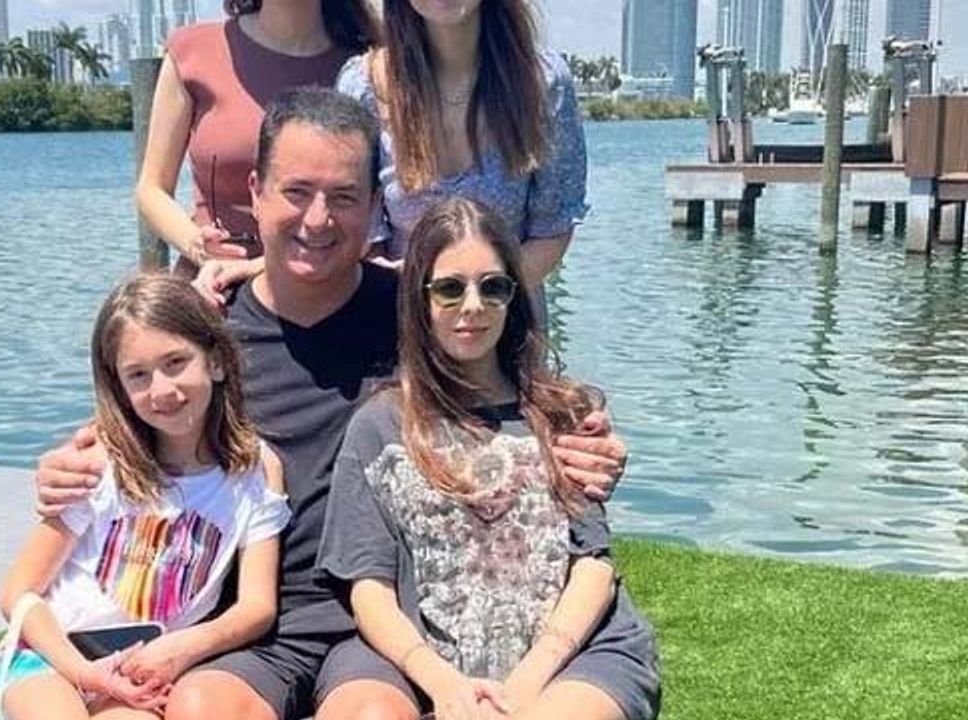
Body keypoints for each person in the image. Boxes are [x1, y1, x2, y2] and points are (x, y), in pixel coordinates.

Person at [36, 88, 629, 720]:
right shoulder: (207, 339)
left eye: (343, 197)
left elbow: (515, 401)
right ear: (256, 192)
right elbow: (137, 415)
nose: (318, 219)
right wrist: (71, 464)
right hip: (252, 623)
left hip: (384, 621)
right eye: (296, 192)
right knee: (201, 708)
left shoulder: (418, 316)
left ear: (374, 206)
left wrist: (589, 441)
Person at [318, 198, 659, 720]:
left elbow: (592, 563)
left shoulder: (562, 412)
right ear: (420, 299)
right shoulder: (379, 426)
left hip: (575, 653)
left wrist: (525, 684)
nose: (473, 305)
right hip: (428, 656)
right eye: (450, 289)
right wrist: (443, 684)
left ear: (512, 296)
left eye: (493, 287)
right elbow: (368, 587)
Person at [0, 274, 292, 720]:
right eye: (138, 375)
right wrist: (84, 672)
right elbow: (17, 591)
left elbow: (256, 606)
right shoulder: (100, 463)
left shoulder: (256, 470)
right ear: (119, 386)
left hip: (143, 671)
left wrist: (183, 647)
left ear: (215, 361)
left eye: (176, 362)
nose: (162, 390)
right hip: (51, 661)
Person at [335, 0, 588, 302]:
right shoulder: (362, 86)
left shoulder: (544, 83)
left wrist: (479, 292)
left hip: (507, 312)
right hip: (398, 311)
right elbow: (361, 233)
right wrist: (422, 290)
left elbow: (552, 229)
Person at [134, 0, 377, 275]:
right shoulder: (192, 51)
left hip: (329, 279)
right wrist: (197, 245)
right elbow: (151, 189)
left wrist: (254, 268)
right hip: (213, 281)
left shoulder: (367, 66)